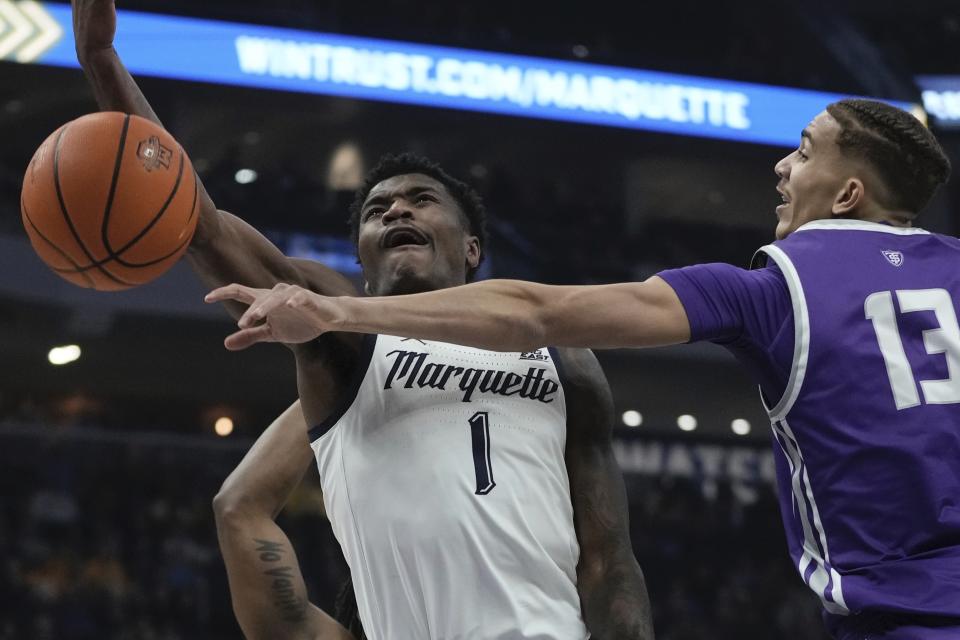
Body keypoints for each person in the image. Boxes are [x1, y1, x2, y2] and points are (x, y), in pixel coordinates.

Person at [211, 99, 960, 639]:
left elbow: (539, 311)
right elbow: (239, 502)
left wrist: (340, 310)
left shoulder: (769, 290)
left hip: (900, 615)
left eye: (801, 150)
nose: (781, 164)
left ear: (848, 192)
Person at [71, 1, 654, 638]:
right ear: (362, 257)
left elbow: (607, 561)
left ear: (471, 249)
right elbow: (202, 228)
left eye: (421, 200)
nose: (396, 210)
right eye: (378, 210)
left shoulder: (564, 357)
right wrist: (102, 62)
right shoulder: (348, 336)